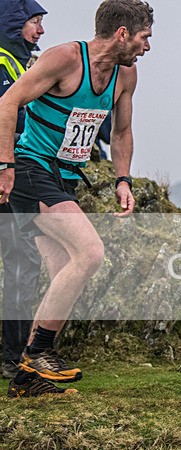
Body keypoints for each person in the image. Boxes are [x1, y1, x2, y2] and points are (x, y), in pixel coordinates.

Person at [0, 0, 153, 397]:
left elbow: (121, 133)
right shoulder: (65, 59)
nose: (147, 46)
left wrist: (123, 179)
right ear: (122, 33)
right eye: (144, 37)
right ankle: (39, 353)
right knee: (89, 253)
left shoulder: (125, 75)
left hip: (65, 178)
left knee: (65, 269)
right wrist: (4, 166)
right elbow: (8, 102)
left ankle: (25, 378)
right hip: (31, 167)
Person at [0, 0, 46, 380]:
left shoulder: (20, 63)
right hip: (7, 175)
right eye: (34, 22)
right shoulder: (4, 63)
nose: (41, 31)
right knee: (20, 261)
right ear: (13, 23)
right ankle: (13, 356)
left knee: (19, 261)